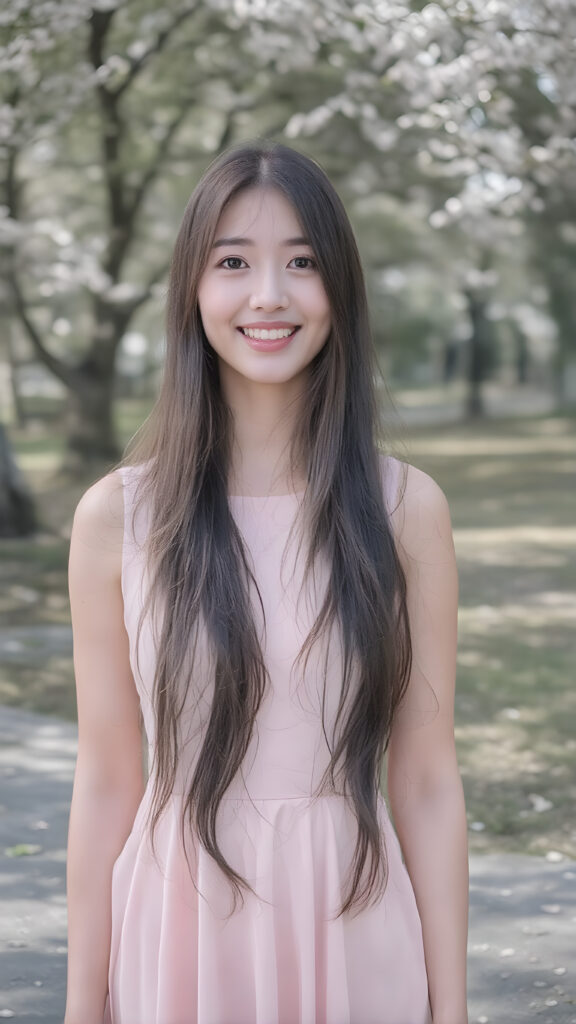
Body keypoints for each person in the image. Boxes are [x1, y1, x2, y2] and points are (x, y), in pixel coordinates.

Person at [65, 141, 469, 1024]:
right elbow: (105, 778)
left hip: (353, 921)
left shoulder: (405, 507)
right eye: (234, 263)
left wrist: (452, 1007)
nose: (269, 296)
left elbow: (429, 778)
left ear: (340, 292)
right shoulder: (117, 517)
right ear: (193, 291)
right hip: (176, 935)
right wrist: (79, 1005)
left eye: (302, 263)